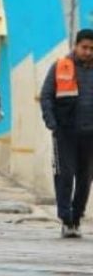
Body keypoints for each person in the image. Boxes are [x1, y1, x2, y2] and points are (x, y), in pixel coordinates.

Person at [41, 28, 93, 238]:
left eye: (92, 48)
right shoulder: (60, 67)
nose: (88, 52)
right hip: (65, 133)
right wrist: (52, 122)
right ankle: (66, 218)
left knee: (85, 178)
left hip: (90, 135)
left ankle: (77, 217)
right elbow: (46, 96)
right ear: (76, 46)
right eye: (84, 47)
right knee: (65, 175)